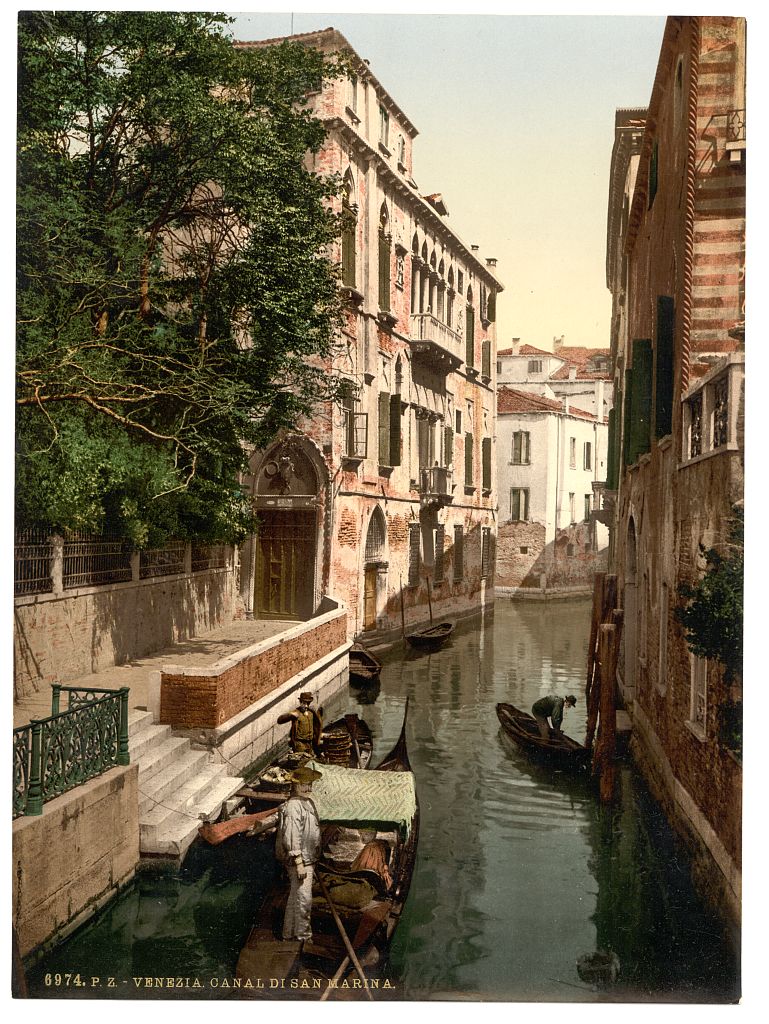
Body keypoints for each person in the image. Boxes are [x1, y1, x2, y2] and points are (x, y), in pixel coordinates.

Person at [274, 763, 323, 942]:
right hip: (300, 861)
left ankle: (288, 933)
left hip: (308, 858)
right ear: (295, 785)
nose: (308, 788)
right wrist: (299, 862)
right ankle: (303, 936)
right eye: (304, 784)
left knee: (296, 896)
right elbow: (292, 836)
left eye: (310, 784)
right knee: (304, 900)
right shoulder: (294, 805)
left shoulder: (307, 802)